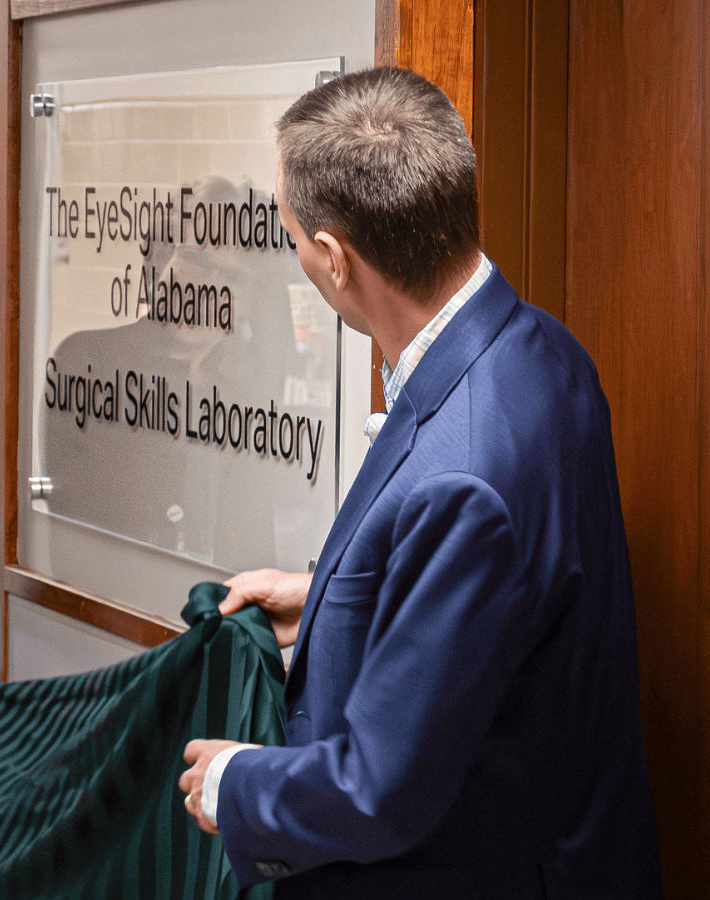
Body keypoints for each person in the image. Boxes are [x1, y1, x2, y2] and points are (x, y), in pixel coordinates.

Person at [178, 67, 663, 898]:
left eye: (292, 236)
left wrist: (234, 783)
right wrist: (329, 597)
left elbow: (382, 790)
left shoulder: (464, 476)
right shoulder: (544, 351)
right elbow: (500, 604)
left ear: (333, 260)